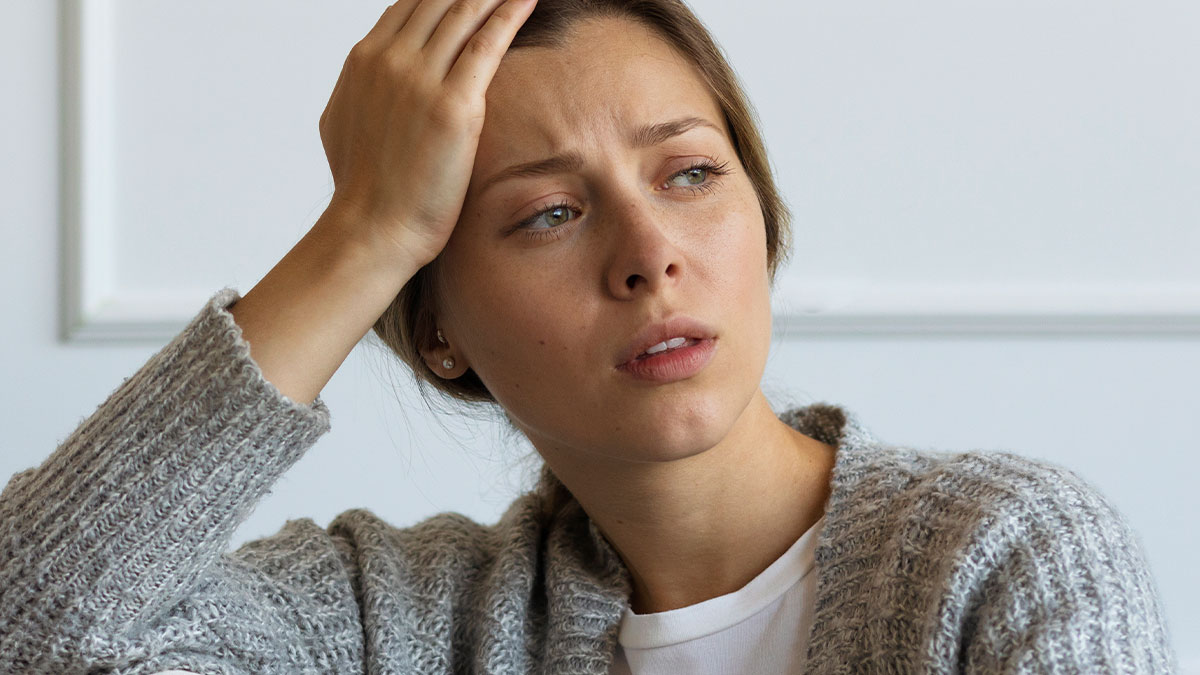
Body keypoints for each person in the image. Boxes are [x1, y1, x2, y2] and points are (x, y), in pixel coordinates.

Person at [0, 0, 1177, 672]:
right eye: (548, 214)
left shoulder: (1001, 553)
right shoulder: (396, 623)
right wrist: (361, 233)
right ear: (437, 329)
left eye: (691, 173)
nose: (648, 253)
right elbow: (27, 631)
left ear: (762, 220)